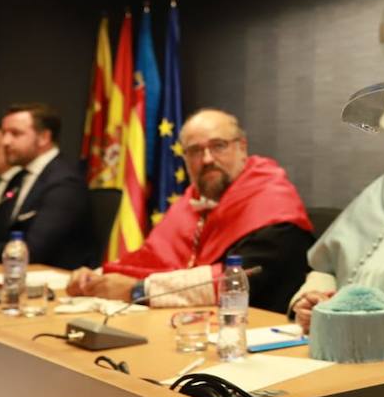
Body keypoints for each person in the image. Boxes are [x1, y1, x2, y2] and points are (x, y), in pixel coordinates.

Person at [66, 109, 314, 313]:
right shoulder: (192, 200)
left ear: (242, 147)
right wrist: (96, 278)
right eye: (195, 151)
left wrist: (138, 290)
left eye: (219, 146)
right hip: (189, 325)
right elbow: (152, 259)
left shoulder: (271, 197)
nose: (207, 159)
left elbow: (238, 280)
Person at [0, 104, 91, 268]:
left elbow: (34, 250)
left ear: (44, 137)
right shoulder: (20, 177)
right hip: (8, 272)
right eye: (4, 133)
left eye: (15, 133)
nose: (6, 141)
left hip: (49, 282)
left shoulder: (65, 183)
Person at [287, 150, 384, 332]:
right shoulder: (379, 190)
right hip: (332, 338)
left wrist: (355, 314)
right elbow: (325, 268)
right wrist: (310, 301)